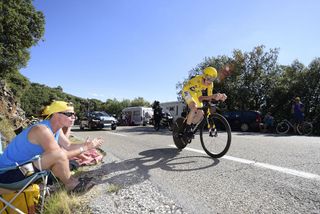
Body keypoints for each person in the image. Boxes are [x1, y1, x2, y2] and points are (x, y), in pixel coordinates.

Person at [0, 100, 104, 193]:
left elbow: (68, 145)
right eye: (69, 114)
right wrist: (85, 148)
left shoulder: (56, 129)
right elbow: (60, 156)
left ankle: (72, 182)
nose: (74, 117)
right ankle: (72, 185)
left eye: (74, 114)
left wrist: (87, 145)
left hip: (24, 169)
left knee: (56, 156)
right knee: (57, 155)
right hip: (9, 175)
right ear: (56, 115)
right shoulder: (42, 130)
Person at [182, 66, 228, 137]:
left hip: (196, 92)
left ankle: (189, 123)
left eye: (212, 79)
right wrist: (213, 96)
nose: (209, 82)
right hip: (187, 91)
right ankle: (187, 130)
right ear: (203, 76)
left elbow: (207, 98)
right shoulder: (197, 80)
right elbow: (202, 98)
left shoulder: (210, 84)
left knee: (201, 113)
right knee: (194, 107)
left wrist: (219, 97)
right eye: (208, 78)